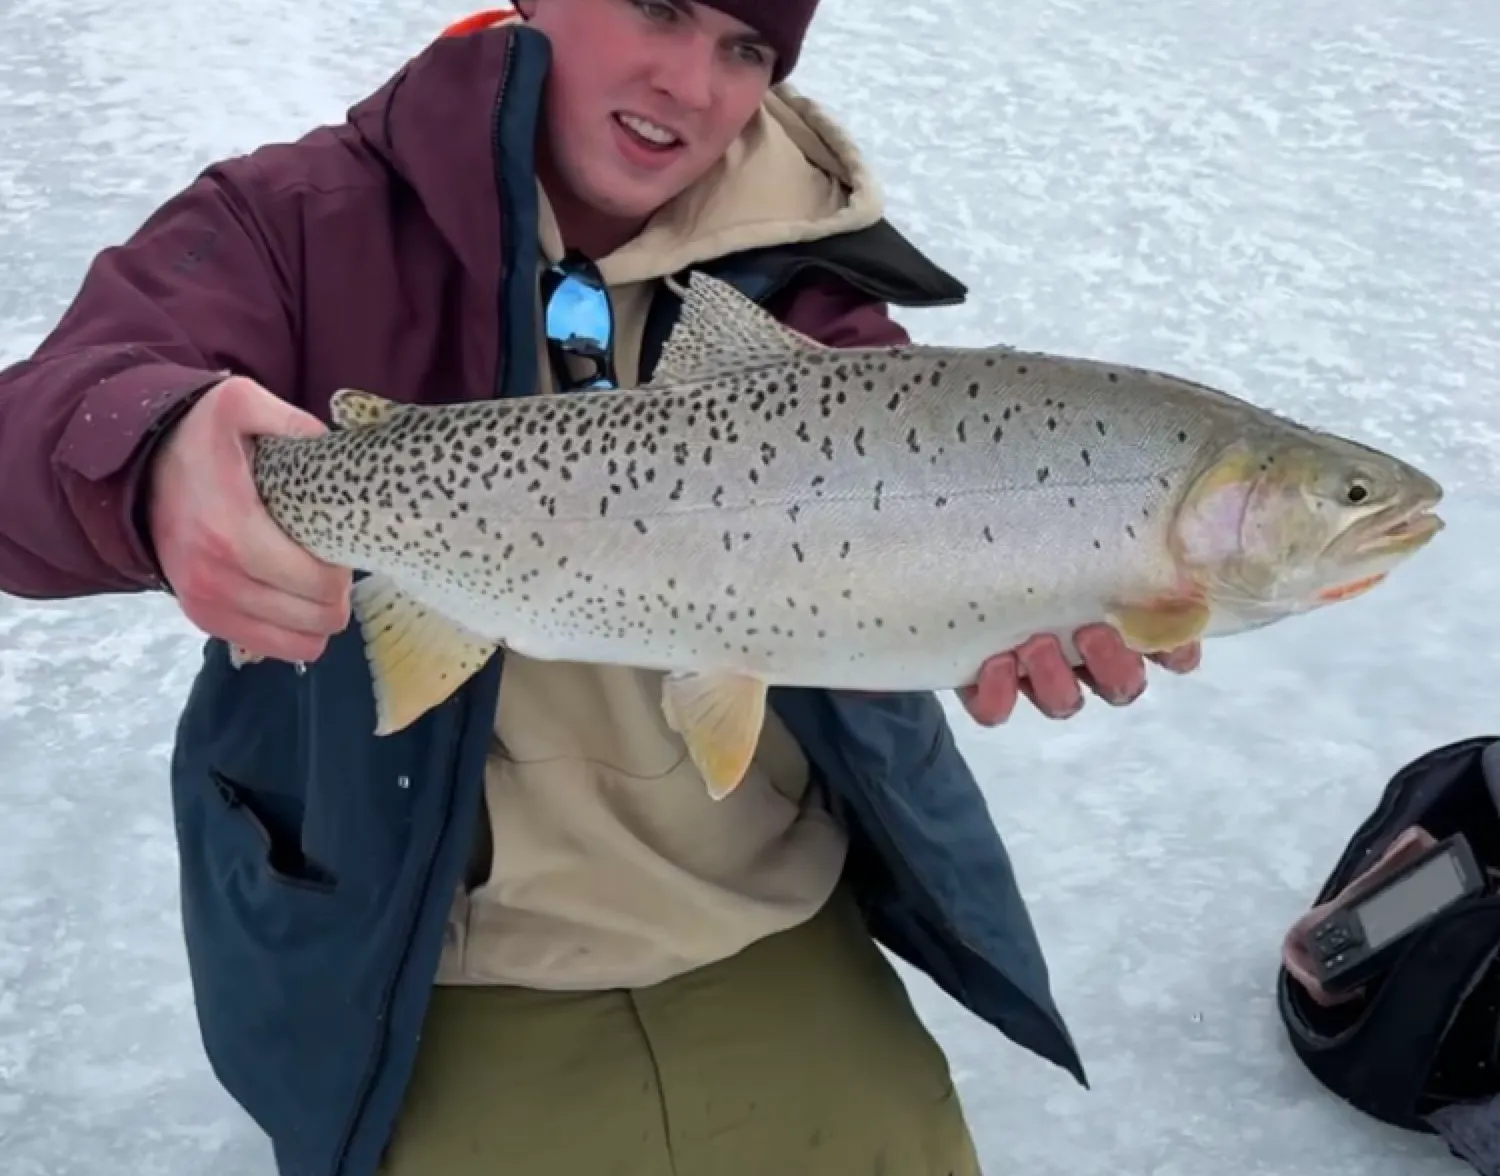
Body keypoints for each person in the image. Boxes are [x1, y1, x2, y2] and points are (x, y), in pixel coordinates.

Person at [0, 2, 1200, 1173]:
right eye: (658, 6)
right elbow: (35, 441)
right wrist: (148, 452)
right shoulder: (295, 224)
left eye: (746, 46)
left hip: (780, 939)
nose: (694, 81)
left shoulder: (814, 294)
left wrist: (1009, 601)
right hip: (427, 980)